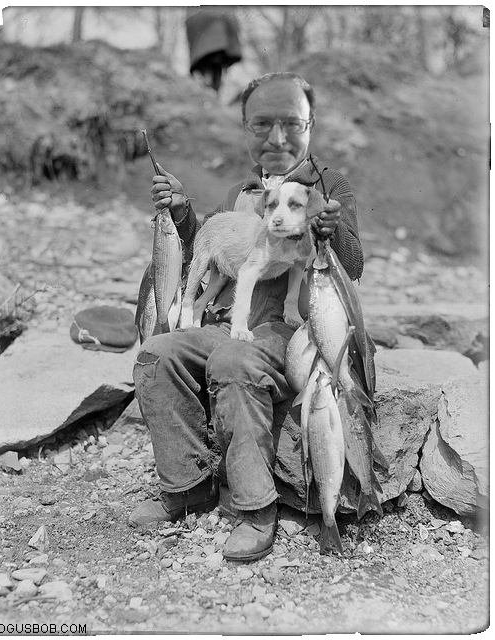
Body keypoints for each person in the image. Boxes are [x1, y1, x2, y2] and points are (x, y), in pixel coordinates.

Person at [130, 72, 364, 562]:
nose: (277, 138)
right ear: (245, 127)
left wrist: (331, 228)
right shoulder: (242, 192)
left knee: (234, 361)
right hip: (230, 319)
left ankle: (256, 509)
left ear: (310, 125)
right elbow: (208, 250)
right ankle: (186, 486)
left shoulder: (329, 184)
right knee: (157, 355)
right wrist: (181, 210)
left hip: (291, 330)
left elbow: (355, 264)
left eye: (291, 123)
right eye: (262, 124)